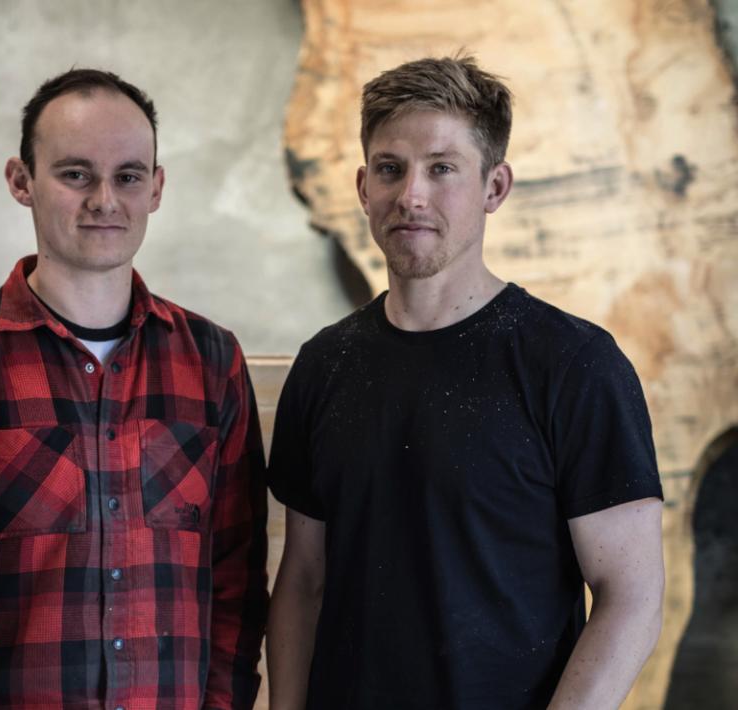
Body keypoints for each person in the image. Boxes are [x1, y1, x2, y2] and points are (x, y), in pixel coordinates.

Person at [0, 68, 268, 710]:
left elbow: (237, 585)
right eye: (76, 173)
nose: (105, 198)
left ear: (156, 189)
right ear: (22, 181)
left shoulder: (214, 363)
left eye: (128, 175)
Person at [266, 56, 664, 709]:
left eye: (442, 168)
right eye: (390, 169)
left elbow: (631, 597)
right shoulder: (324, 364)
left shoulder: (573, 364)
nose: (411, 195)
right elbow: (304, 579)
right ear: (364, 187)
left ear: (495, 187)